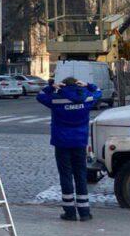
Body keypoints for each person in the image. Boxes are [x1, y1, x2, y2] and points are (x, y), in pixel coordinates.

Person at [37, 76, 102, 221]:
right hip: (79, 142)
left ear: (63, 85)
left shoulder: (56, 98)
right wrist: (87, 84)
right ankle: (84, 212)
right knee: (80, 175)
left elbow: (40, 96)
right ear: (78, 85)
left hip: (61, 142)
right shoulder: (86, 98)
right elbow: (98, 92)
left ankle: (70, 212)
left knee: (65, 175)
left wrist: (53, 87)